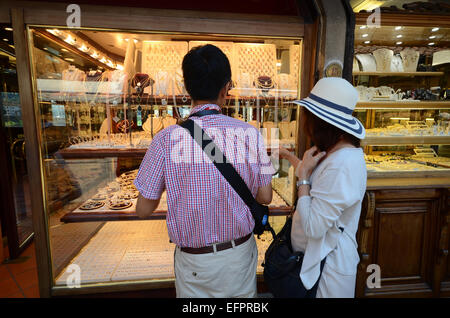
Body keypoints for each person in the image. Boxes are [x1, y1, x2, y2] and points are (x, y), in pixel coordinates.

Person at [134, 44, 274, 298]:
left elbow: (143, 209)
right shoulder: (249, 134)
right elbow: (265, 197)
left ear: (187, 88)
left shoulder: (166, 139)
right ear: (225, 88)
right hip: (238, 257)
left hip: (193, 264)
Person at [278, 77, 367, 298]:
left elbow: (314, 227)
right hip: (320, 262)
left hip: (328, 269)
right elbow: (321, 183)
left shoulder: (342, 164)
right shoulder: (336, 151)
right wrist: (290, 157)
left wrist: (303, 180)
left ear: (318, 122)